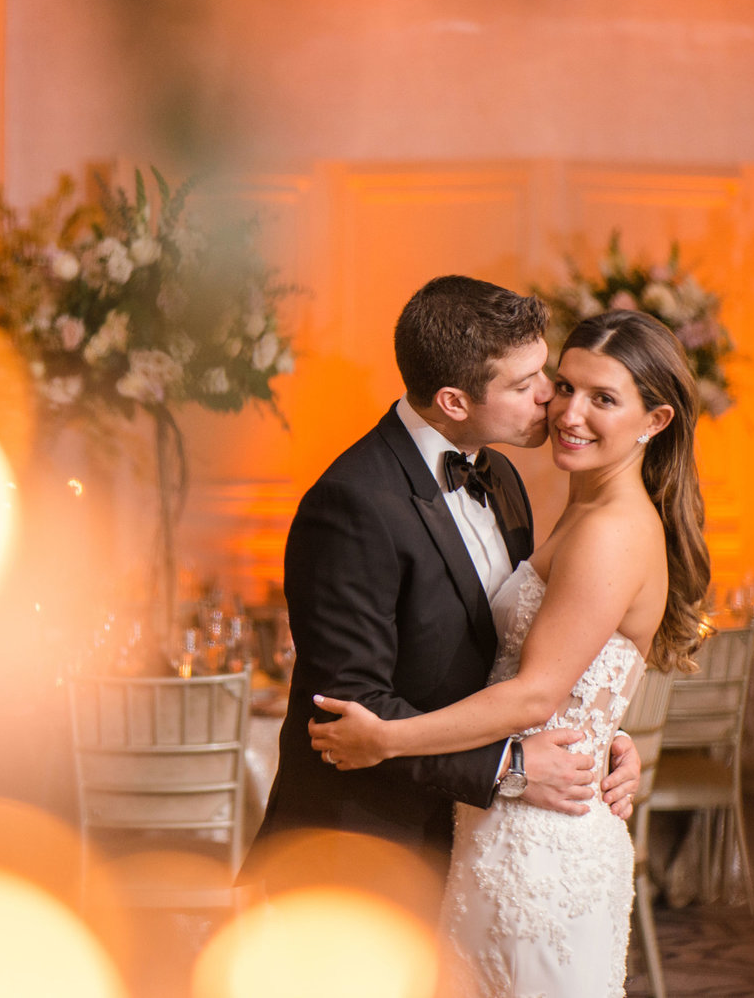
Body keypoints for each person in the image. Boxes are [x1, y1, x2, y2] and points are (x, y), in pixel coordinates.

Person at [309, 308, 710, 998]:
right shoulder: (543, 494)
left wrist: (387, 739)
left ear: (656, 419)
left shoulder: (611, 529)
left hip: (543, 850)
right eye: (563, 384)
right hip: (496, 825)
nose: (567, 411)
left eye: (604, 398)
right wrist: (612, 736)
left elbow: (535, 693)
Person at [240, 276, 643, 911]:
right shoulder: (352, 503)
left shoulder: (501, 476)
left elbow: (512, 655)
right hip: (361, 849)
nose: (552, 400)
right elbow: (348, 718)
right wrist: (509, 769)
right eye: (525, 384)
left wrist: (594, 735)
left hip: (467, 842)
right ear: (454, 401)